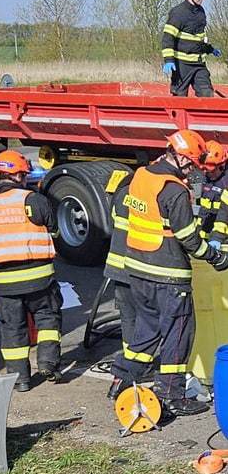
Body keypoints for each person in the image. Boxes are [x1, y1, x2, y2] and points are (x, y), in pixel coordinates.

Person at [114, 129, 228, 418]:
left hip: (138, 269)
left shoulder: (142, 176)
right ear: (178, 158)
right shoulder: (174, 190)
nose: (192, 171)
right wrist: (215, 257)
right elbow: (189, 238)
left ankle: (123, 378)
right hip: (168, 274)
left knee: (147, 329)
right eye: (190, 164)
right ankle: (172, 394)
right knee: (179, 334)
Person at [0, 150, 61, 393]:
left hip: (5, 284)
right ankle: (48, 364)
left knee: (13, 329)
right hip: (39, 279)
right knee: (47, 319)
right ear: (20, 176)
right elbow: (54, 232)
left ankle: (20, 379)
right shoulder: (33, 200)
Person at [101, 168, 138, 400]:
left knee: (129, 322)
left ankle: (125, 374)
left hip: (117, 267)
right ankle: (128, 373)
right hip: (138, 269)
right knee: (150, 324)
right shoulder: (147, 198)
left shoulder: (120, 194)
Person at [161, 0, 221, 98]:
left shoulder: (201, 13)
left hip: (199, 64)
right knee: (180, 98)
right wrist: (169, 60)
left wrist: (209, 49)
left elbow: (197, 40)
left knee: (207, 95)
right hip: (181, 65)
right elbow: (168, 39)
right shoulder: (178, 13)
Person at [196, 139, 228, 245]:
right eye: (204, 170)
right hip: (204, 235)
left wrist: (218, 238)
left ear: (222, 166)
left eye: (211, 171)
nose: (207, 174)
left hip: (222, 238)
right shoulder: (206, 178)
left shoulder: (225, 182)